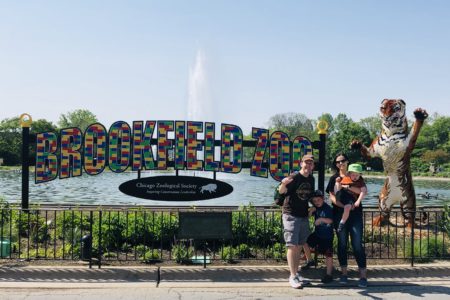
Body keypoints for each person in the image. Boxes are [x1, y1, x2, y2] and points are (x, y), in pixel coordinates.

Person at [326, 153, 368, 288]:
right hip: (339, 213)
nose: (340, 164)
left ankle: (363, 276)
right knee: (342, 243)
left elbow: (362, 190)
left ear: (347, 162)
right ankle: (344, 274)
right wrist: (343, 206)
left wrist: (348, 187)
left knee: (357, 244)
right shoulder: (334, 178)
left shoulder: (355, 176)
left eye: (343, 161)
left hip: (355, 214)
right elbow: (332, 196)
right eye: (337, 162)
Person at [274, 154, 315, 289]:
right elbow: (281, 191)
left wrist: (314, 206)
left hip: (303, 215)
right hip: (290, 214)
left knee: (299, 244)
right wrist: (284, 183)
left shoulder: (311, 178)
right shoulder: (295, 176)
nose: (308, 165)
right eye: (306, 163)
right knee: (292, 245)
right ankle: (292, 276)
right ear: (301, 163)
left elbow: (309, 196)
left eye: (311, 163)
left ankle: (296, 274)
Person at [306, 190, 334, 283]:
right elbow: (308, 216)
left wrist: (321, 219)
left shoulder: (328, 208)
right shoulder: (316, 208)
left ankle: (329, 275)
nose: (317, 202)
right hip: (317, 234)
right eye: (314, 201)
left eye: (318, 200)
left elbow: (331, 221)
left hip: (327, 236)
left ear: (323, 199)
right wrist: (311, 211)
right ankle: (310, 260)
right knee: (303, 241)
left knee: (328, 255)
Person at [335, 163, 367, 233]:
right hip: (344, 196)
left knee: (347, 207)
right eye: (353, 175)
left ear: (360, 175)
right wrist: (338, 182)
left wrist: (358, 201)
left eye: (357, 175)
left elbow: (364, 191)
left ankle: (341, 223)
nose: (355, 177)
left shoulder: (360, 181)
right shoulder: (345, 178)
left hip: (352, 199)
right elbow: (339, 189)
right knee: (347, 206)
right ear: (349, 174)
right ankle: (342, 223)